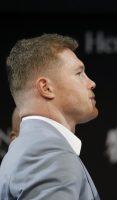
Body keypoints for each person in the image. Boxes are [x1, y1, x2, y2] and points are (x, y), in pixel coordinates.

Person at [0, 34, 100, 199]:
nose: (91, 83)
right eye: (79, 73)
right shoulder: (48, 155)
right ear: (46, 88)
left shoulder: (23, 150)